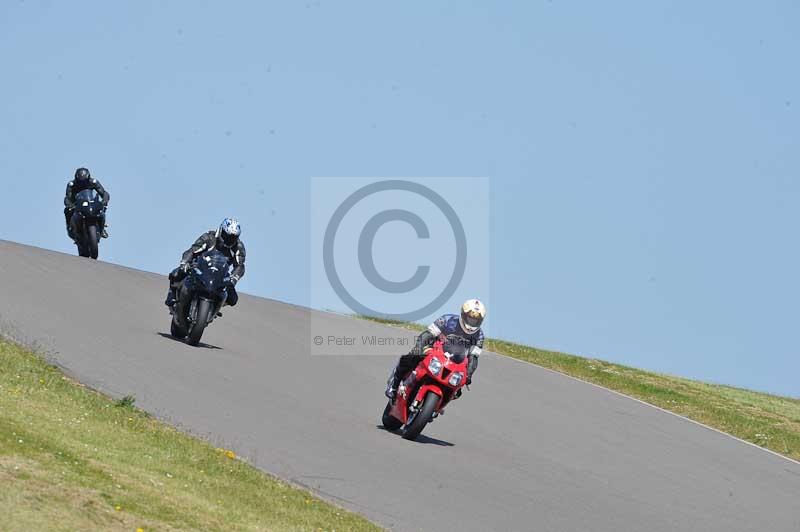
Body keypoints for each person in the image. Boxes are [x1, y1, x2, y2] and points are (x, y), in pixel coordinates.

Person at [385, 299, 486, 399]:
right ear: (463, 314)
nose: (472, 322)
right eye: (470, 318)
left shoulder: (479, 335)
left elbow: (474, 357)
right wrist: (419, 347)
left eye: (475, 320)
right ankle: (394, 384)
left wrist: (469, 375)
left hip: (456, 361)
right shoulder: (447, 319)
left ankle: (440, 403)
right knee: (411, 357)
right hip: (433, 349)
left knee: (458, 390)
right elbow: (427, 334)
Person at [164, 218, 246, 311]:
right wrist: (185, 262)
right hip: (199, 267)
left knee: (233, 298)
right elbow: (192, 251)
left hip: (221, 274)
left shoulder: (238, 247)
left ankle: (214, 309)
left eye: (233, 238)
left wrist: (234, 278)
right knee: (176, 273)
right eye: (226, 236)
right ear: (221, 231)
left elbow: (240, 265)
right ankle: (171, 295)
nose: (229, 240)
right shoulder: (208, 237)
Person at [64, 167, 110, 240]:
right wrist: (70, 205)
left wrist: (104, 201)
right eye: (80, 182)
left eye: (84, 182)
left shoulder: (93, 182)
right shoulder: (71, 185)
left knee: (102, 208)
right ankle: (69, 227)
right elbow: (67, 197)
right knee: (67, 211)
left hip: (92, 203)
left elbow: (104, 193)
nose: (82, 184)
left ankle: (102, 227)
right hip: (77, 205)